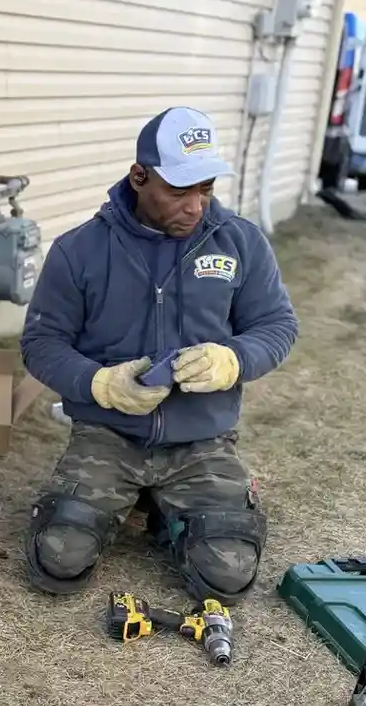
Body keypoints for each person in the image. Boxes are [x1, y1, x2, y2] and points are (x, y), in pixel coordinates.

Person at [20, 106, 298, 605]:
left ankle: (166, 511)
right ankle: (130, 501)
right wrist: (100, 384)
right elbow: (41, 344)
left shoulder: (241, 242)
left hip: (203, 440)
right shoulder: (78, 251)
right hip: (110, 434)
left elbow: (277, 325)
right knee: (58, 559)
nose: (194, 206)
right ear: (139, 176)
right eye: (178, 190)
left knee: (229, 575)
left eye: (205, 189)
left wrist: (232, 360)